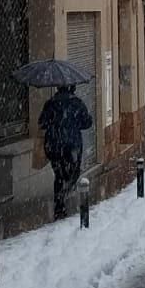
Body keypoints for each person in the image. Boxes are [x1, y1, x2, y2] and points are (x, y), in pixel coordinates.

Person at [39, 84, 93, 218]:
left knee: (58, 175)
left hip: (53, 145)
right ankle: (66, 192)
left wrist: (54, 124)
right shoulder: (77, 103)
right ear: (72, 88)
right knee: (73, 171)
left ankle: (59, 206)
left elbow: (42, 123)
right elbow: (87, 123)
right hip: (71, 145)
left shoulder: (50, 103)